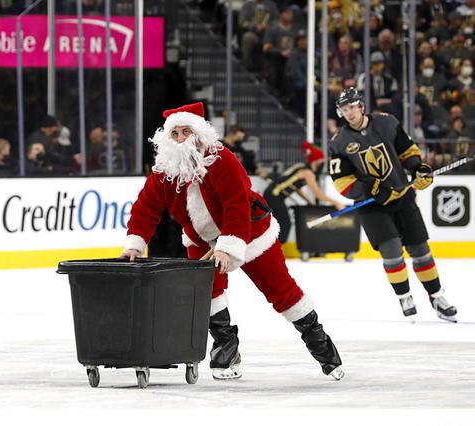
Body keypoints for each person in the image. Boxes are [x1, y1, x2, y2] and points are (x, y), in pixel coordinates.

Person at [120, 102, 344, 381]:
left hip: (249, 232)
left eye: (185, 131)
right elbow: (146, 207)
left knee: (280, 290)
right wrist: (135, 244)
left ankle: (321, 345)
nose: (179, 139)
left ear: (199, 133)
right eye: (174, 133)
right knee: (208, 293)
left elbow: (236, 205)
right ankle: (226, 347)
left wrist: (227, 246)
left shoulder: (222, 160)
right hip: (201, 238)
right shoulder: (165, 169)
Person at [329, 87, 458, 323]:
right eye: (344, 109)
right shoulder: (339, 142)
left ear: (361, 106)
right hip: (372, 207)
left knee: (420, 250)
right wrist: (373, 190)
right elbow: (343, 183)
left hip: (402, 197)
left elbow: (407, 150)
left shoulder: (386, 123)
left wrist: (419, 168)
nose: (349, 113)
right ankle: (405, 296)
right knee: (391, 250)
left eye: (352, 107)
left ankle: (437, 296)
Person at [263, 141, 344, 244]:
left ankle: (274, 248)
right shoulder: (308, 173)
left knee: (280, 223)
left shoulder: (302, 167)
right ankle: (276, 249)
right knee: (284, 223)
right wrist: (336, 203)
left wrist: (308, 201)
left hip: (272, 194)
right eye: (320, 159)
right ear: (316, 161)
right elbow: (318, 194)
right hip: (274, 196)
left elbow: (296, 188)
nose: (322, 162)